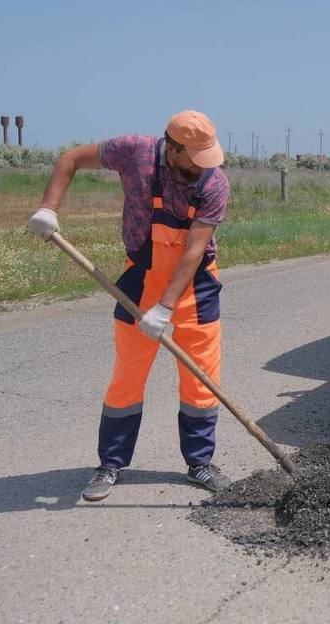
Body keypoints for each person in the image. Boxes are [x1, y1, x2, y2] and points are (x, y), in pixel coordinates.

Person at [28, 111, 233, 501]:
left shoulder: (215, 182)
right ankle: (111, 464)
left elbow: (193, 250)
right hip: (139, 283)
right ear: (171, 148)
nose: (202, 165)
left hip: (195, 287)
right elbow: (70, 158)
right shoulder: (133, 151)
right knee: (127, 377)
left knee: (201, 381)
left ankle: (200, 463)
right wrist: (49, 207)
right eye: (193, 157)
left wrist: (166, 307)